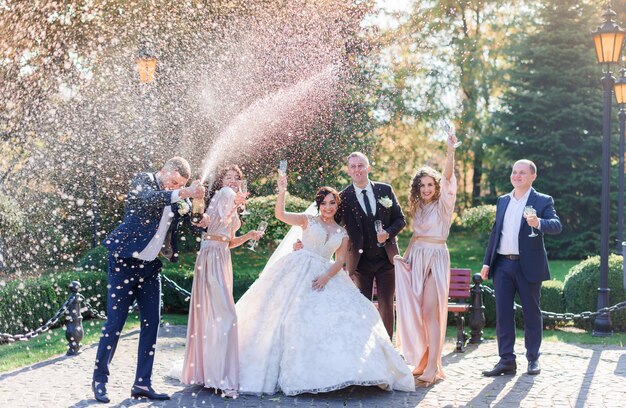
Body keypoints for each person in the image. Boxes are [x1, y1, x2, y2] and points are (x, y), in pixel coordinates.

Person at [234, 174, 415, 396]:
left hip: (327, 275)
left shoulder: (342, 233)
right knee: (291, 316)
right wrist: (282, 190)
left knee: (351, 315)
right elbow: (280, 214)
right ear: (318, 204)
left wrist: (326, 277)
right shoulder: (306, 221)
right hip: (299, 269)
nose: (328, 207)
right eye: (324, 203)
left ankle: (347, 371)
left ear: (337, 205)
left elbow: (340, 261)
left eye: (332, 203)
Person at [92, 157, 205, 403]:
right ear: (164, 170)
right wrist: (183, 191)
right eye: (173, 181)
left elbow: (194, 223)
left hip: (151, 269)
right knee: (115, 324)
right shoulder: (143, 180)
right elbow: (147, 200)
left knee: (152, 324)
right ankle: (100, 380)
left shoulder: (176, 197)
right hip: (123, 263)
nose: (174, 186)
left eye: (179, 184)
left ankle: (142, 384)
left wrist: (197, 204)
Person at [179, 165, 263, 399]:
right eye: (229, 177)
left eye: (238, 178)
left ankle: (210, 374)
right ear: (222, 180)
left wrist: (247, 236)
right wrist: (237, 202)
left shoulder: (227, 199)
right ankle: (222, 378)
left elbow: (228, 239)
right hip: (211, 257)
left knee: (214, 316)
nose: (234, 181)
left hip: (221, 256)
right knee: (226, 316)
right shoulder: (225, 195)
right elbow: (205, 222)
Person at [480, 159, 562, 377]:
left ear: (533, 176)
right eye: (514, 172)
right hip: (502, 265)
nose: (517, 176)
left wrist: (539, 223)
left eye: (522, 173)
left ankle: (533, 359)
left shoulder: (543, 200)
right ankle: (506, 360)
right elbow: (495, 234)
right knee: (503, 314)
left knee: (531, 314)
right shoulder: (503, 200)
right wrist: (487, 262)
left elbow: (557, 225)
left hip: (529, 265)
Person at [394, 131, 458, 385]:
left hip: (436, 258)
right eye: (422, 185)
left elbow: (449, 176)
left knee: (431, 312)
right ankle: (423, 361)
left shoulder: (444, 204)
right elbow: (415, 236)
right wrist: (405, 259)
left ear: (437, 186)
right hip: (417, 258)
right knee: (420, 312)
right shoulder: (418, 207)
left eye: (430, 184)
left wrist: (450, 151)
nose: (427, 189)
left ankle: (434, 366)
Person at [338, 152, 406, 339]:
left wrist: (388, 233)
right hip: (360, 262)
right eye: (353, 166)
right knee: (363, 304)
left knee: (386, 303)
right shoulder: (343, 198)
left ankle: (387, 347)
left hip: (387, 259)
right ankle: (363, 344)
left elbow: (400, 220)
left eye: (361, 165)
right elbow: (333, 228)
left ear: (368, 168)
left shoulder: (385, 190)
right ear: (348, 171)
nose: (357, 169)